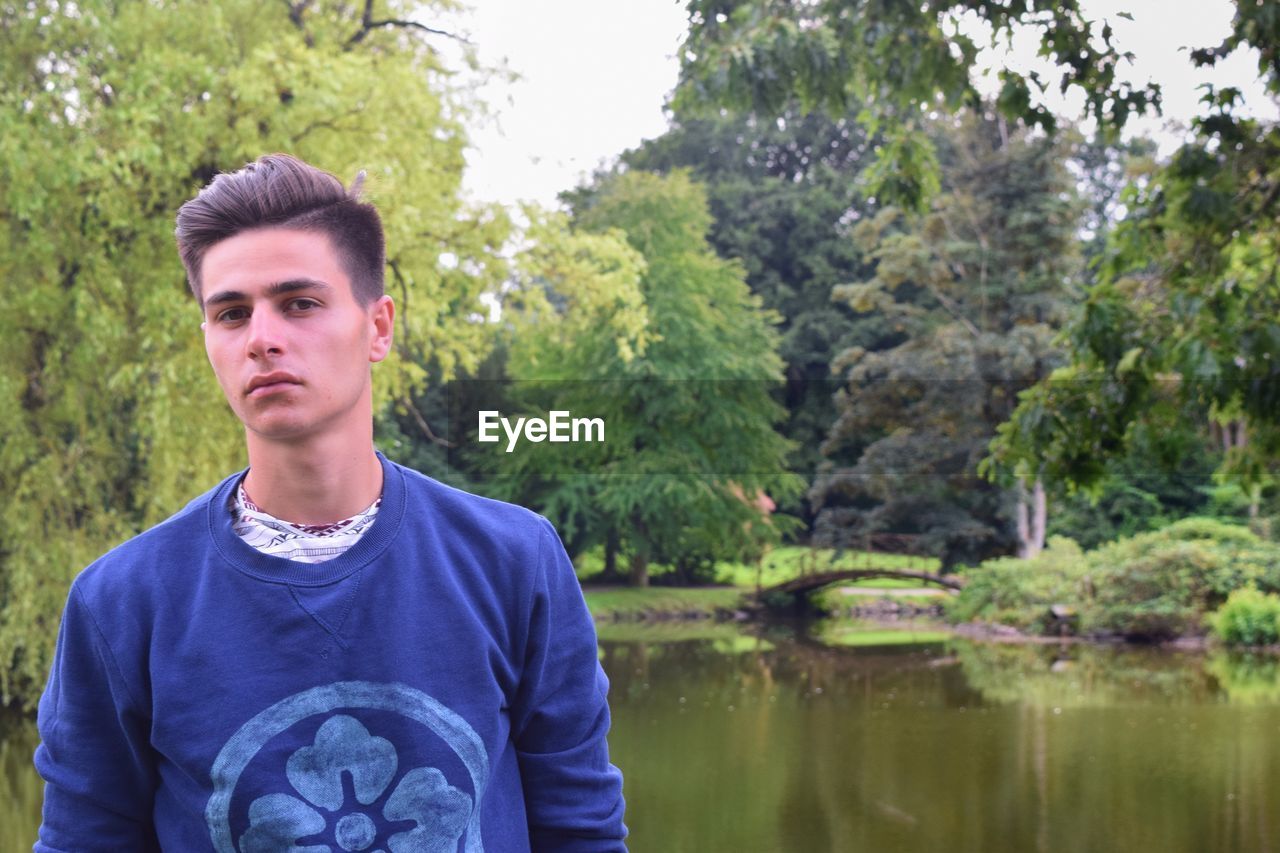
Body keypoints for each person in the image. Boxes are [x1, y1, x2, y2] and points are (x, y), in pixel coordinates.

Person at [33, 154, 627, 851]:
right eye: (231, 313)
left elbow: (581, 829)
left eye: (299, 303)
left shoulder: (514, 562)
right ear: (208, 343)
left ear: (377, 327)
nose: (262, 338)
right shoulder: (121, 602)